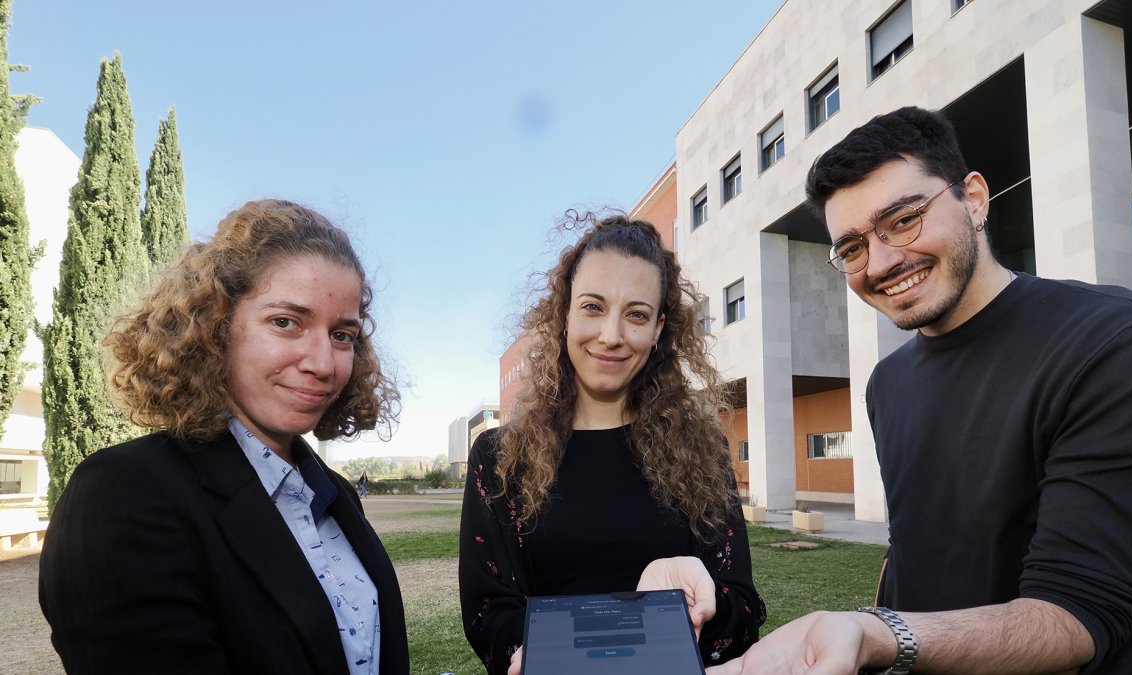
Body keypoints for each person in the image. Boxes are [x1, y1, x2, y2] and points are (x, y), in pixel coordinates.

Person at [709, 106, 1132, 675]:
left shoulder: (1126, 344)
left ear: (973, 199)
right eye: (852, 248)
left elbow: (1078, 615)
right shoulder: (887, 383)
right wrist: (876, 620)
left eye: (903, 219)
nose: (883, 262)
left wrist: (875, 634)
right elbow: (913, 550)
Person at [39, 200, 410, 675]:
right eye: (286, 322)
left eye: (342, 335)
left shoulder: (335, 495)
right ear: (214, 327)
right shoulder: (122, 493)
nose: (323, 363)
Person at [459, 212, 767, 675]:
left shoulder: (702, 451)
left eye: (637, 315)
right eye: (593, 307)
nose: (612, 336)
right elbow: (488, 612)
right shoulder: (499, 457)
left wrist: (700, 606)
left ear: (659, 329)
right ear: (565, 313)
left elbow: (741, 611)